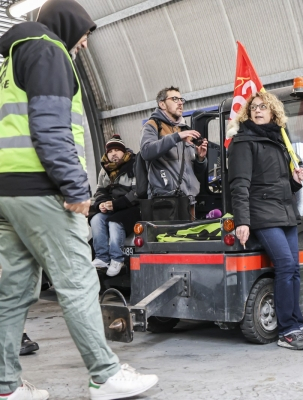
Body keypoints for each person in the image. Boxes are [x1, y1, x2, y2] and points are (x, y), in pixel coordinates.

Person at [0, 1, 158, 399]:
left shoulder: (11, 60)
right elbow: (50, 127)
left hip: (7, 191)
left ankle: (5, 386)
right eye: (85, 33)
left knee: (13, 290)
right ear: (67, 25)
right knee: (78, 282)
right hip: (41, 189)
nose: (85, 44)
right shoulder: (48, 50)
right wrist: (75, 188)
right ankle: (105, 375)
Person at [227, 91, 303, 350]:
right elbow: (240, 185)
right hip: (262, 214)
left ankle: (297, 324)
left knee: (294, 270)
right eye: (254, 107)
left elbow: (282, 184)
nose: (258, 110)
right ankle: (286, 331)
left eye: (264, 107)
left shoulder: (278, 141)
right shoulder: (243, 142)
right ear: (248, 113)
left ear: (273, 113)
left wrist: (295, 180)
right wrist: (242, 222)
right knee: (285, 265)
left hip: (284, 213)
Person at [139, 86, 208, 218]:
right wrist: (176, 137)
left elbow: (198, 172)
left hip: (189, 201)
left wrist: (200, 158)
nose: (180, 103)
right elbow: (146, 151)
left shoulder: (184, 129)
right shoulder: (153, 125)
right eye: (175, 99)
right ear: (162, 104)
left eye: (181, 99)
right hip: (165, 202)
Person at [90, 135, 140, 277]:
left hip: (132, 207)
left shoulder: (134, 165)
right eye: (111, 151)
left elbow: (137, 192)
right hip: (114, 206)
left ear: (124, 152)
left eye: (117, 150)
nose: (114, 154)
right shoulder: (105, 169)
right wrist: (101, 204)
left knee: (114, 221)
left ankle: (117, 259)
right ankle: (102, 258)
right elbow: (100, 191)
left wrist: (115, 204)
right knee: (96, 219)